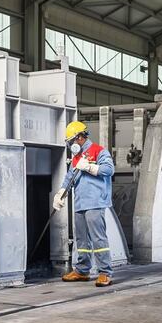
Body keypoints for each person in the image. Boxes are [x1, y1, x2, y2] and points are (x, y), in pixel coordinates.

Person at [53, 120, 116, 287]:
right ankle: (82, 270)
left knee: (98, 239)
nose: (71, 145)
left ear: (80, 137)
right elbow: (70, 177)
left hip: (95, 202)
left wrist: (89, 167)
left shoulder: (99, 151)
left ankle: (105, 272)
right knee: (82, 240)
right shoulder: (76, 157)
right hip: (80, 203)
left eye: (72, 141)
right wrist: (61, 193)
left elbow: (109, 170)